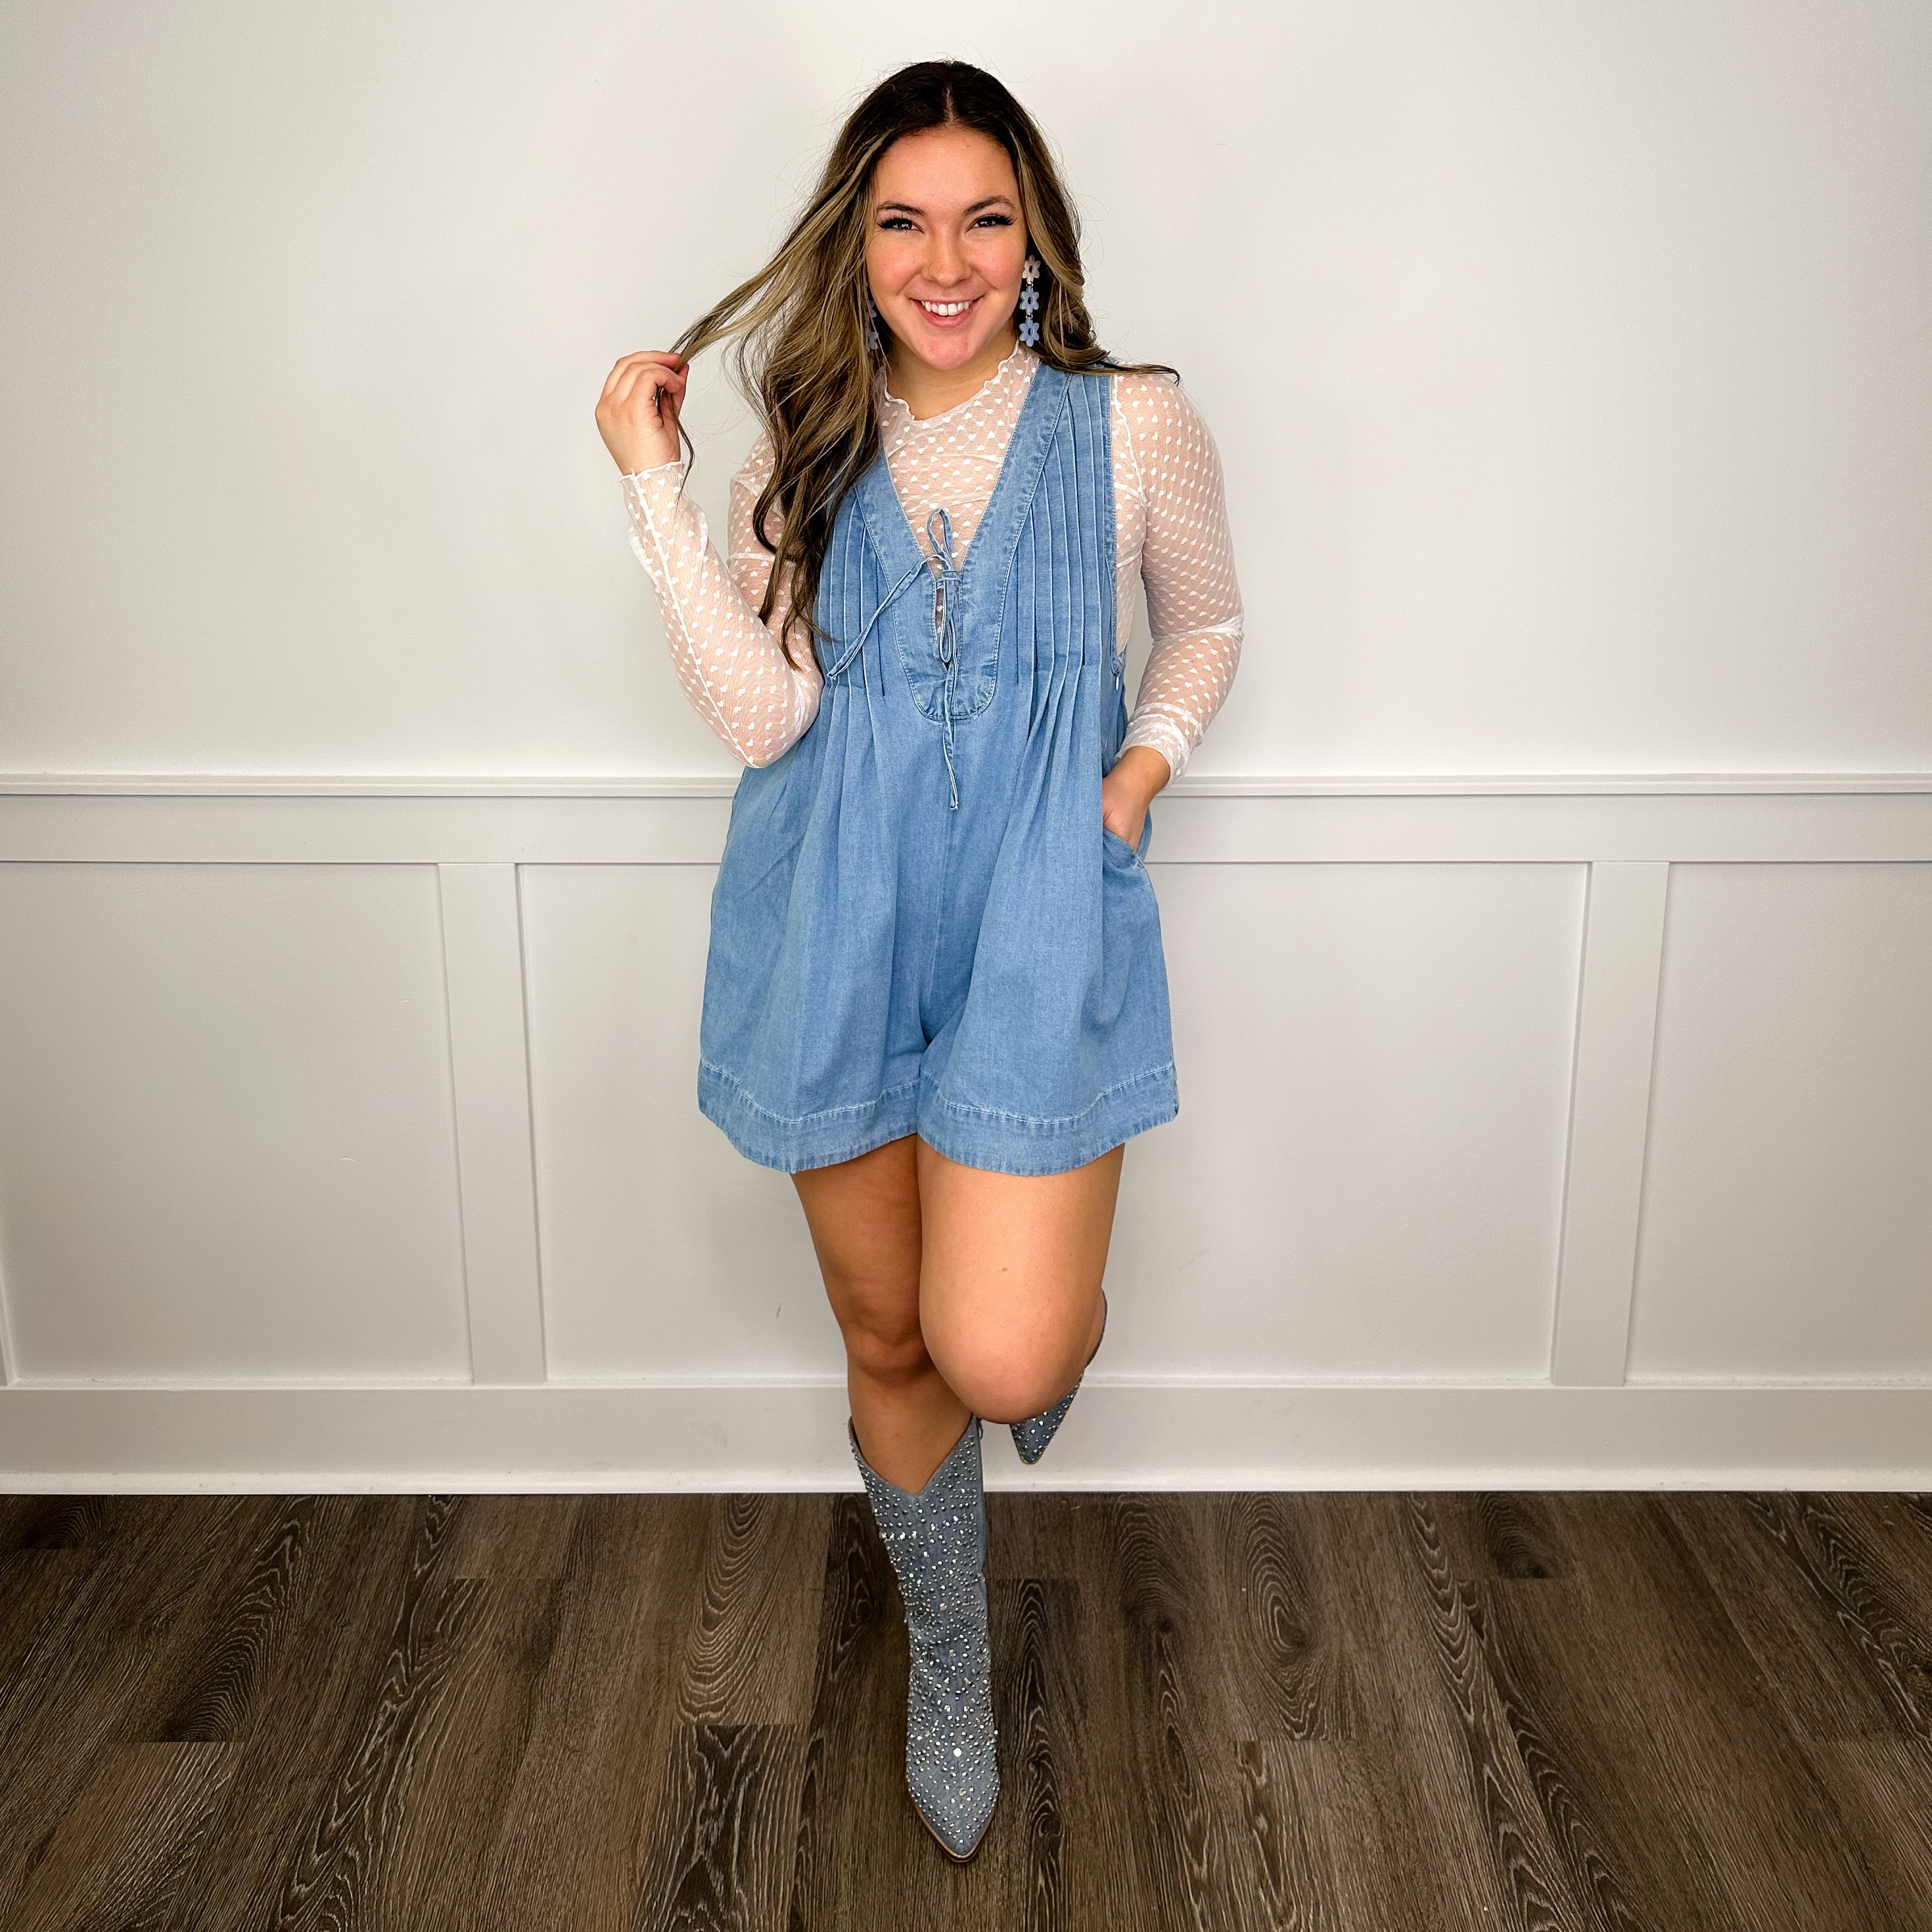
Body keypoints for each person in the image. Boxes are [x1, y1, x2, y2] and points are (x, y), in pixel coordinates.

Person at [595, 58, 1241, 1862]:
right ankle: (949, 1654)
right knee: (889, 1329)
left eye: (982, 219)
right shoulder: (799, 450)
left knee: (1004, 1355)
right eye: (902, 222)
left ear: (1033, 238)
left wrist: (1132, 777)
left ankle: (1041, 1344)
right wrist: (654, 489)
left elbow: (1206, 623)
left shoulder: (1132, 424)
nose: (943, 262)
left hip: (1042, 906)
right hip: (837, 918)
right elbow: (764, 718)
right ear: (854, 243)